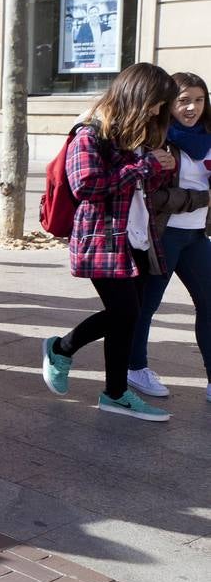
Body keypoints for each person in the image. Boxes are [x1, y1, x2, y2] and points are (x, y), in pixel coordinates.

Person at [41, 63, 179, 421]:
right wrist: (145, 166)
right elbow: (86, 184)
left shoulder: (136, 133)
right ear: (137, 95)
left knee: (126, 320)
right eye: (154, 103)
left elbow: (137, 187)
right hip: (102, 237)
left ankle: (115, 393)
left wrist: (159, 168)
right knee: (125, 312)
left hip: (136, 235)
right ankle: (61, 348)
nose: (156, 112)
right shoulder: (91, 131)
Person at [125, 71, 211, 400]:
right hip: (164, 234)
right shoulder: (157, 139)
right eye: (183, 101)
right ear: (168, 105)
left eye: (199, 100)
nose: (192, 108)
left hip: (196, 237)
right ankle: (135, 368)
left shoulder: (208, 136)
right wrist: (200, 199)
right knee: (146, 306)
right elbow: (152, 195)